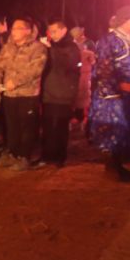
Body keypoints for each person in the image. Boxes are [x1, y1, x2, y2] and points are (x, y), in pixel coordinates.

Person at [0, 17, 47, 170]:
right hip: (9, 95)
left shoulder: (38, 48)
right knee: (12, 127)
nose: (13, 31)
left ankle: (24, 157)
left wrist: (15, 82)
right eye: (13, 28)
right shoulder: (8, 48)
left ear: (27, 30)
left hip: (28, 95)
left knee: (27, 127)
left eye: (18, 28)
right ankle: (13, 154)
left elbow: (35, 70)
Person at [89, 6, 130, 181]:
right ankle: (113, 169)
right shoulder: (110, 40)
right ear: (124, 21)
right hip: (112, 97)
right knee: (112, 131)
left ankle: (119, 166)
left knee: (123, 132)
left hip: (129, 95)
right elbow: (103, 69)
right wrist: (115, 91)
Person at [38, 20, 81, 167]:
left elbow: (68, 65)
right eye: (50, 31)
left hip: (63, 94)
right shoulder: (52, 46)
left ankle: (60, 157)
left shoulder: (72, 47)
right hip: (48, 92)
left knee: (61, 126)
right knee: (47, 126)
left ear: (64, 30)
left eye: (55, 31)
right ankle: (46, 155)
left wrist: (50, 49)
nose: (52, 34)